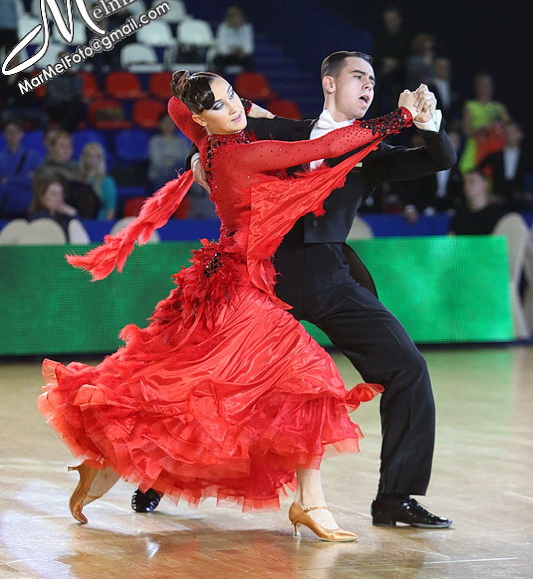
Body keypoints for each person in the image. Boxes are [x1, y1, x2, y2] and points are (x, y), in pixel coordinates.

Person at [38, 69, 421, 537]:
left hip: (221, 280)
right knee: (308, 378)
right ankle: (308, 503)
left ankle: (108, 464)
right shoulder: (243, 155)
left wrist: (214, 102)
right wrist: (400, 117)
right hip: (241, 289)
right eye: (220, 105)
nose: (236, 107)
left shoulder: (209, 143)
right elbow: (324, 146)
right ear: (202, 117)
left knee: (183, 387)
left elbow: (176, 105)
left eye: (234, 95)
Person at [170, 51, 456, 529]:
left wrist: (427, 125)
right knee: (213, 381)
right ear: (329, 83)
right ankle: (156, 477)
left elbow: (440, 159)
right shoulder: (280, 130)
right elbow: (204, 125)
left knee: (408, 367)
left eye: (373, 79)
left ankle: (395, 497)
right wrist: (195, 157)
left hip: (330, 277)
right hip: (264, 279)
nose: (368, 86)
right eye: (358, 76)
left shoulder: (370, 151)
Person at [459, 72, 510, 173]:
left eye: (488, 85)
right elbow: (466, 131)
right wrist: (479, 131)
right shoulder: (470, 105)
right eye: (482, 85)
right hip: (475, 145)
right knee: (472, 170)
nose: (486, 88)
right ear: (477, 87)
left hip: (493, 145)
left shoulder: (498, 107)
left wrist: (496, 128)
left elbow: (509, 125)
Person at [478, 120, 531, 210]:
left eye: (513, 131)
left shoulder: (528, 158)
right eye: (507, 131)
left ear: (521, 135)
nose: (510, 134)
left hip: (521, 202)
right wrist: (486, 194)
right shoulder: (494, 156)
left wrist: (529, 194)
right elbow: (477, 171)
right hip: (498, 201)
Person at [0, 119, 43, 217]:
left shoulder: (34, 157)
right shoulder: (0, 159)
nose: (13, 135)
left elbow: (37, 182)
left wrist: (9, 180)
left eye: (16, 131)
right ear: (4, 134)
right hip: (5, 209)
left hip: (30, 209)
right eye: (9, 132)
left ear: (22, 134)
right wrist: (25, 178)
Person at [27, 175, 89, 243]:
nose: (59, 198)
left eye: (61, 194)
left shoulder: (63, 217)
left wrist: (73, 213)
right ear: (42, 197)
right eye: (54, 194)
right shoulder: (38, 217)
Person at [448, 169, 507, 236]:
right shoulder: (460, 214)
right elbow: (451, 238)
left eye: (472, 181)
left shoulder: (497, 215)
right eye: (464, 182)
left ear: (485, 184)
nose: (466, 185)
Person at [148, 111, 190, 191]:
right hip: (160, 173)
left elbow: (187, 160)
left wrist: (172, 162)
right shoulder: (155, 141)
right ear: (160, 124)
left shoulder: (181, 141)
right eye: (165, 122)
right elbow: (157, 162)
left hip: (180, 171)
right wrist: (173, 163)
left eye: (171, 122)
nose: (168, 124)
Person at [78, 142, 118, 221]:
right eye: (89, 156)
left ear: (100, 158)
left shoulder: (107, 181)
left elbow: (110, 208)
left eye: (95, 156)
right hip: (80, 220)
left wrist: (106, 225)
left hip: (99, 221)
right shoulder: (78, 178)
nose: (92, 159)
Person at [213, 5, 255, 75]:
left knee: (250, 61)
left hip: (240, 56)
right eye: (235, 18)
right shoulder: (223, 28)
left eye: (239, 17)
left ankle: (247, 81)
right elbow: (221, 46)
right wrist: (229, 51)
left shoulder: (246, 28)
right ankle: (220, 80)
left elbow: (249, 46)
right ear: (229, 19)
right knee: (218, 61)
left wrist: (243, 51)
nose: (237, 20)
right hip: (227, 56)